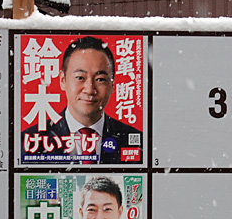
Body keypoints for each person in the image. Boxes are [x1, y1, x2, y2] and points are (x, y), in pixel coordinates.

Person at [22, 36, 142, 164]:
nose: (89, 90)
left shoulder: (136, 141)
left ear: (112, 84)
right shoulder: (30, 141)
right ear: (63, 80)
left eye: (100, 79)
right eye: (80, 78)